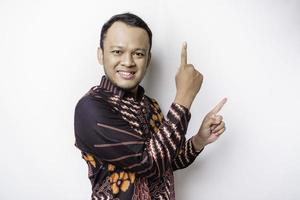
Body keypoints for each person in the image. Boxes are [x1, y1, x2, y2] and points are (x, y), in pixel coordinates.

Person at [74, 12, 227, 200]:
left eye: (138, 53)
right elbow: (150, 164)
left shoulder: (150, 105)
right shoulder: (91, 108)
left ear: (148, 59)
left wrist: (199, 140)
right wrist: (184, 96)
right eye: (117, 52)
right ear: (101, 54)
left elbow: (166, 162)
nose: (128, 62)